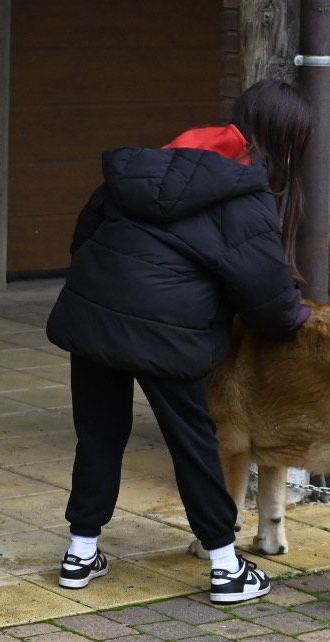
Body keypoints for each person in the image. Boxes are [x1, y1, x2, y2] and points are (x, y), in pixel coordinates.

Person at [45, 79, 313, 605]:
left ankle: (80, 553)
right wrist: (296, 313)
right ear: (283, 139)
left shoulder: (148, 166)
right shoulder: (244, 191)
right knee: (193, 442)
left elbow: (83, 237)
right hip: (170, 329)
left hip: (96, 313)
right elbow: (268, 297)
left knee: (98, 434)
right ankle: (225, 566)